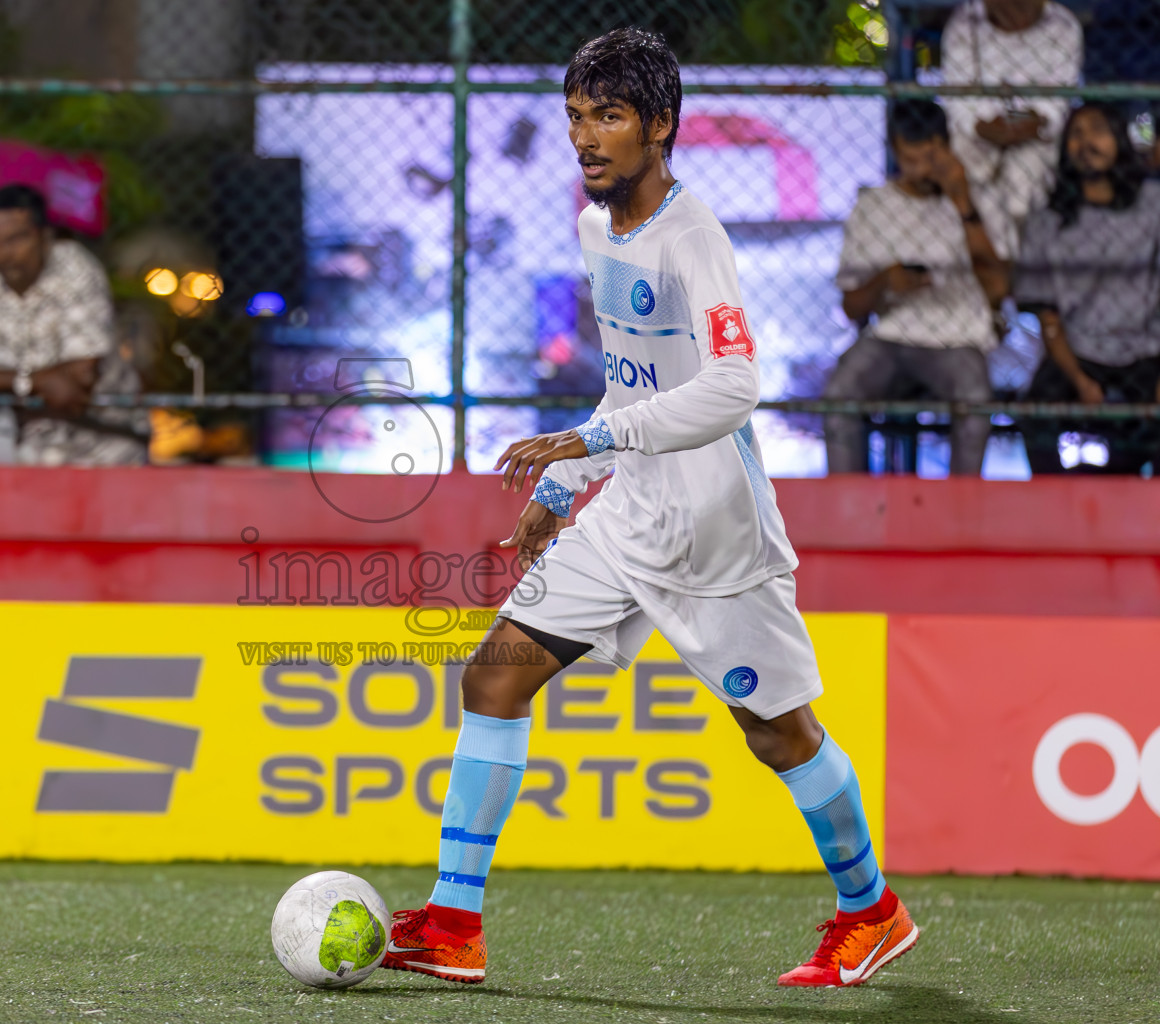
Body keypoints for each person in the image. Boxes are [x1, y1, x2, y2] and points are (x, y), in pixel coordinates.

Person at [381, 28, 916, 990]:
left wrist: (590, 446)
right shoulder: (597, 229)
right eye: (578, 118)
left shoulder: (693, 236)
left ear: (660, 126)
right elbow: (633, 382)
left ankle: (871, 910)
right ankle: (455, 923)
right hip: (629, 513)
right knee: (494, 676)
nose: (588, 138)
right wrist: (562, 484)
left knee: (777, 733)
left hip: (716, 531)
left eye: (611, 117)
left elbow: (734, 385)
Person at [824, 100, 1010, 477]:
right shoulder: (873, 205)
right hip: (892, 335)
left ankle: (962, 520)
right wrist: (884, 283)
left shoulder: (980, 199)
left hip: (959, 339)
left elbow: (997, 290)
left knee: (975, 401)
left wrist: (962, 202)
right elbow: (851, 307)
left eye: (931, 157)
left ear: (947, 147)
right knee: (838, 396)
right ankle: (852, 516)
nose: (923, 169)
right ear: (895, 150)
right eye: (912, 159)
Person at [0, 184, 144, 467]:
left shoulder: (76, 269)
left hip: (109, 442)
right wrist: (34, 381)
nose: (5, 253)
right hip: (35, 444)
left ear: (45, 237)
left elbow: (79, 377)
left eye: (17, 239)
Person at [1016, 102, 1160, 474]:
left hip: (1144, 352)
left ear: (1118, 140)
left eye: (1097, 130)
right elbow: (1046, 313)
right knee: (1036, 412)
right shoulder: (1047, 219)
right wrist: (1079, 379)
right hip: (1076, 351)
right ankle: (1056, 510)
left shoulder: (1152, 207)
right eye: (1075, 135)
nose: (1085, 142)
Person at [940, 0, 1083, 255]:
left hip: (1034, 132)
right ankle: (978, 265)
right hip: (979, 130)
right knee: (969, 173)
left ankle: (1016, 269)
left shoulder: (1063, 25)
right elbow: (960, 104)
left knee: (1024, 184)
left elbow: (1054, 106)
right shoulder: (964, 22)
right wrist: (989, 128)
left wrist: (1022, 127)